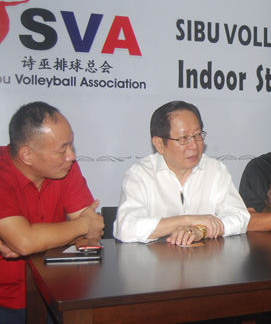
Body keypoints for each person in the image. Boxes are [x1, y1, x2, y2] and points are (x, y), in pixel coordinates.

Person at [0, 102, 104, 323]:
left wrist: (31, 239)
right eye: (62, 150)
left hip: (58, 294)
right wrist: (81, 226)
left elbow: (92, 234)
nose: (71, 156)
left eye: (71, 145)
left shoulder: (65, 168)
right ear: (27, 156)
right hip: (5, 301)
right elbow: (25, 242)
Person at [114, 101, 249, 244]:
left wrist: (200, 229)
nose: (194, 146)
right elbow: (126, 227)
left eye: (197, 135)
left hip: (204, 261)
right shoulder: (140, 174)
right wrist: (187, 220)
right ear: (159, 144)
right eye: (184, 138)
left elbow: (240, 216)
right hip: (155, 262)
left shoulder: (215, 170)